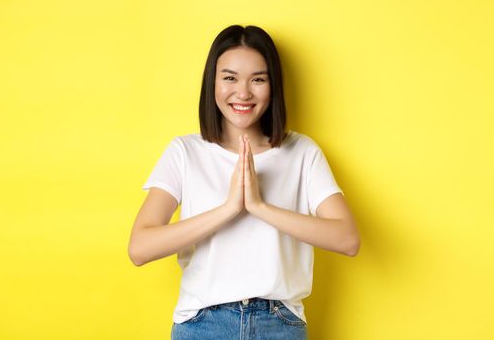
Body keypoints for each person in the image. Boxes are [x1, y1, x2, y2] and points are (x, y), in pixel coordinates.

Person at [128, 24, 360, 340]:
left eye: (258, 79)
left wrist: (259, 207)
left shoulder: (301, 152)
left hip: (279, 324)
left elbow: (347, 239)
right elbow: (140, 248)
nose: (243, 93)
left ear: (272, 85)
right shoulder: (185, 151)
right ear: (213, 83)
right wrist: (228, 209)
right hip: (203, 324)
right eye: (230, 78)